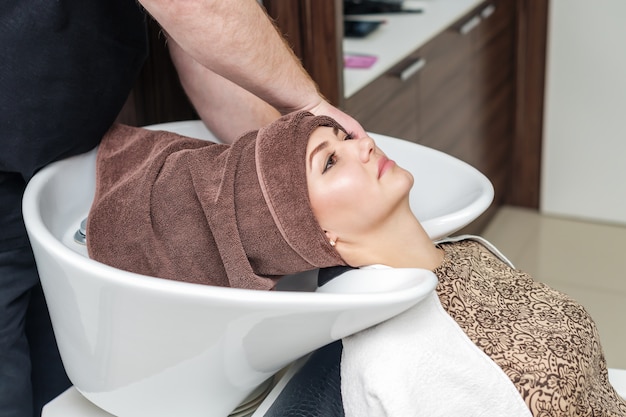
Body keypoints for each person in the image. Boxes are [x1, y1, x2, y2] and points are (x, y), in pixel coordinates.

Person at [87, 111, 626, 416]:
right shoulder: (395, 359)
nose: (362, 143)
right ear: (317, 233)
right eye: (330, 161)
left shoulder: (469, 254)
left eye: (342, 137)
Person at [0, 1, 365, 415]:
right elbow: (198, 5)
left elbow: (203, 47)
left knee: (62, 389)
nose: (365, 145)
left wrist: (291, 181)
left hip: (55, 158)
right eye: (333, 158)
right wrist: (309, 113)